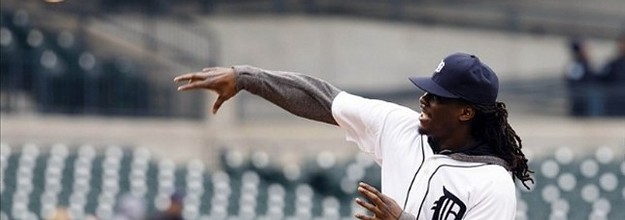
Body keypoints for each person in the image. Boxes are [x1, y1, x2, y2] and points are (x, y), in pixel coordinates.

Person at [174, 52, 533, 219]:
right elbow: (323, 98)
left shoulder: (492, 185)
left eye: (436, 96)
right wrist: (246, 78)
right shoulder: (400, 127)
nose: (424, 98)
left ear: (465, 112)